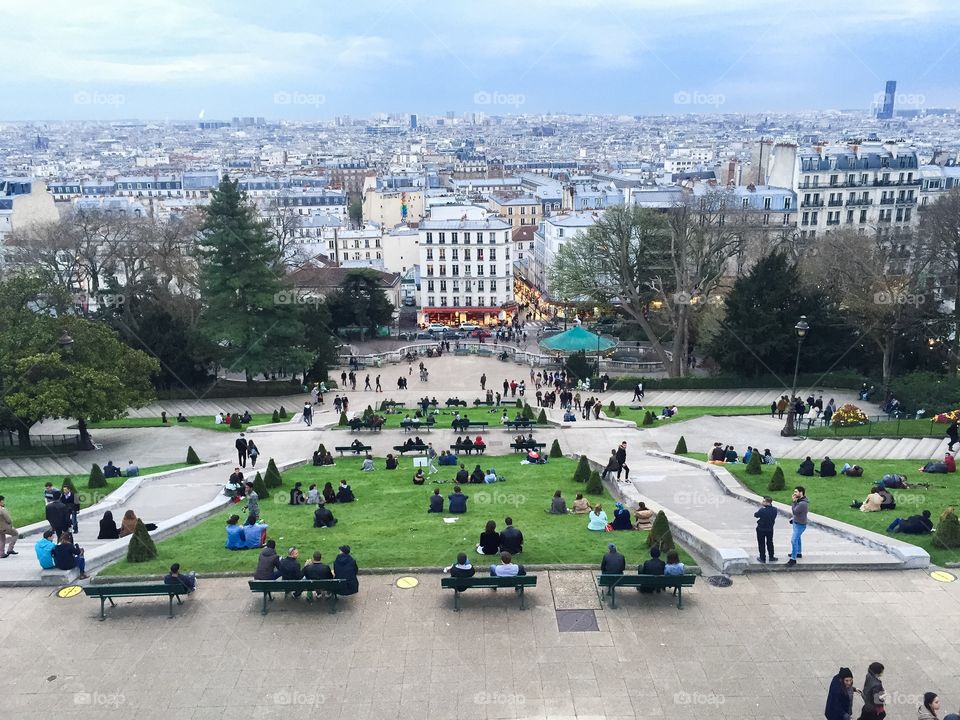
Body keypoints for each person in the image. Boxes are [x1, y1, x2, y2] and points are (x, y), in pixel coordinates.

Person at [787, 486, 808, 567]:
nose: (794, 493)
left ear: (801, 492)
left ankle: (793, 559)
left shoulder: (802, 503)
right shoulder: (800, 501)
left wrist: (794, 502)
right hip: (796, 523)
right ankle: (798, 553)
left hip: (800, 525)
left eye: (796, 492)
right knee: (798, 538)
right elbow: (798, 514)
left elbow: (795, 511)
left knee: (793, 540)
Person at [754, 496, 778, 563]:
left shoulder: (762, 510)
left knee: (761, 543)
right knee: (770, 542)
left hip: (761, 529)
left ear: (768, 502)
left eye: (764, 501)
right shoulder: (775, 509)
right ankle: (771, 556)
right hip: (770, 529)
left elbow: (756, 515)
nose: (762, 502)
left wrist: (762, 509)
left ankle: (762, 558)